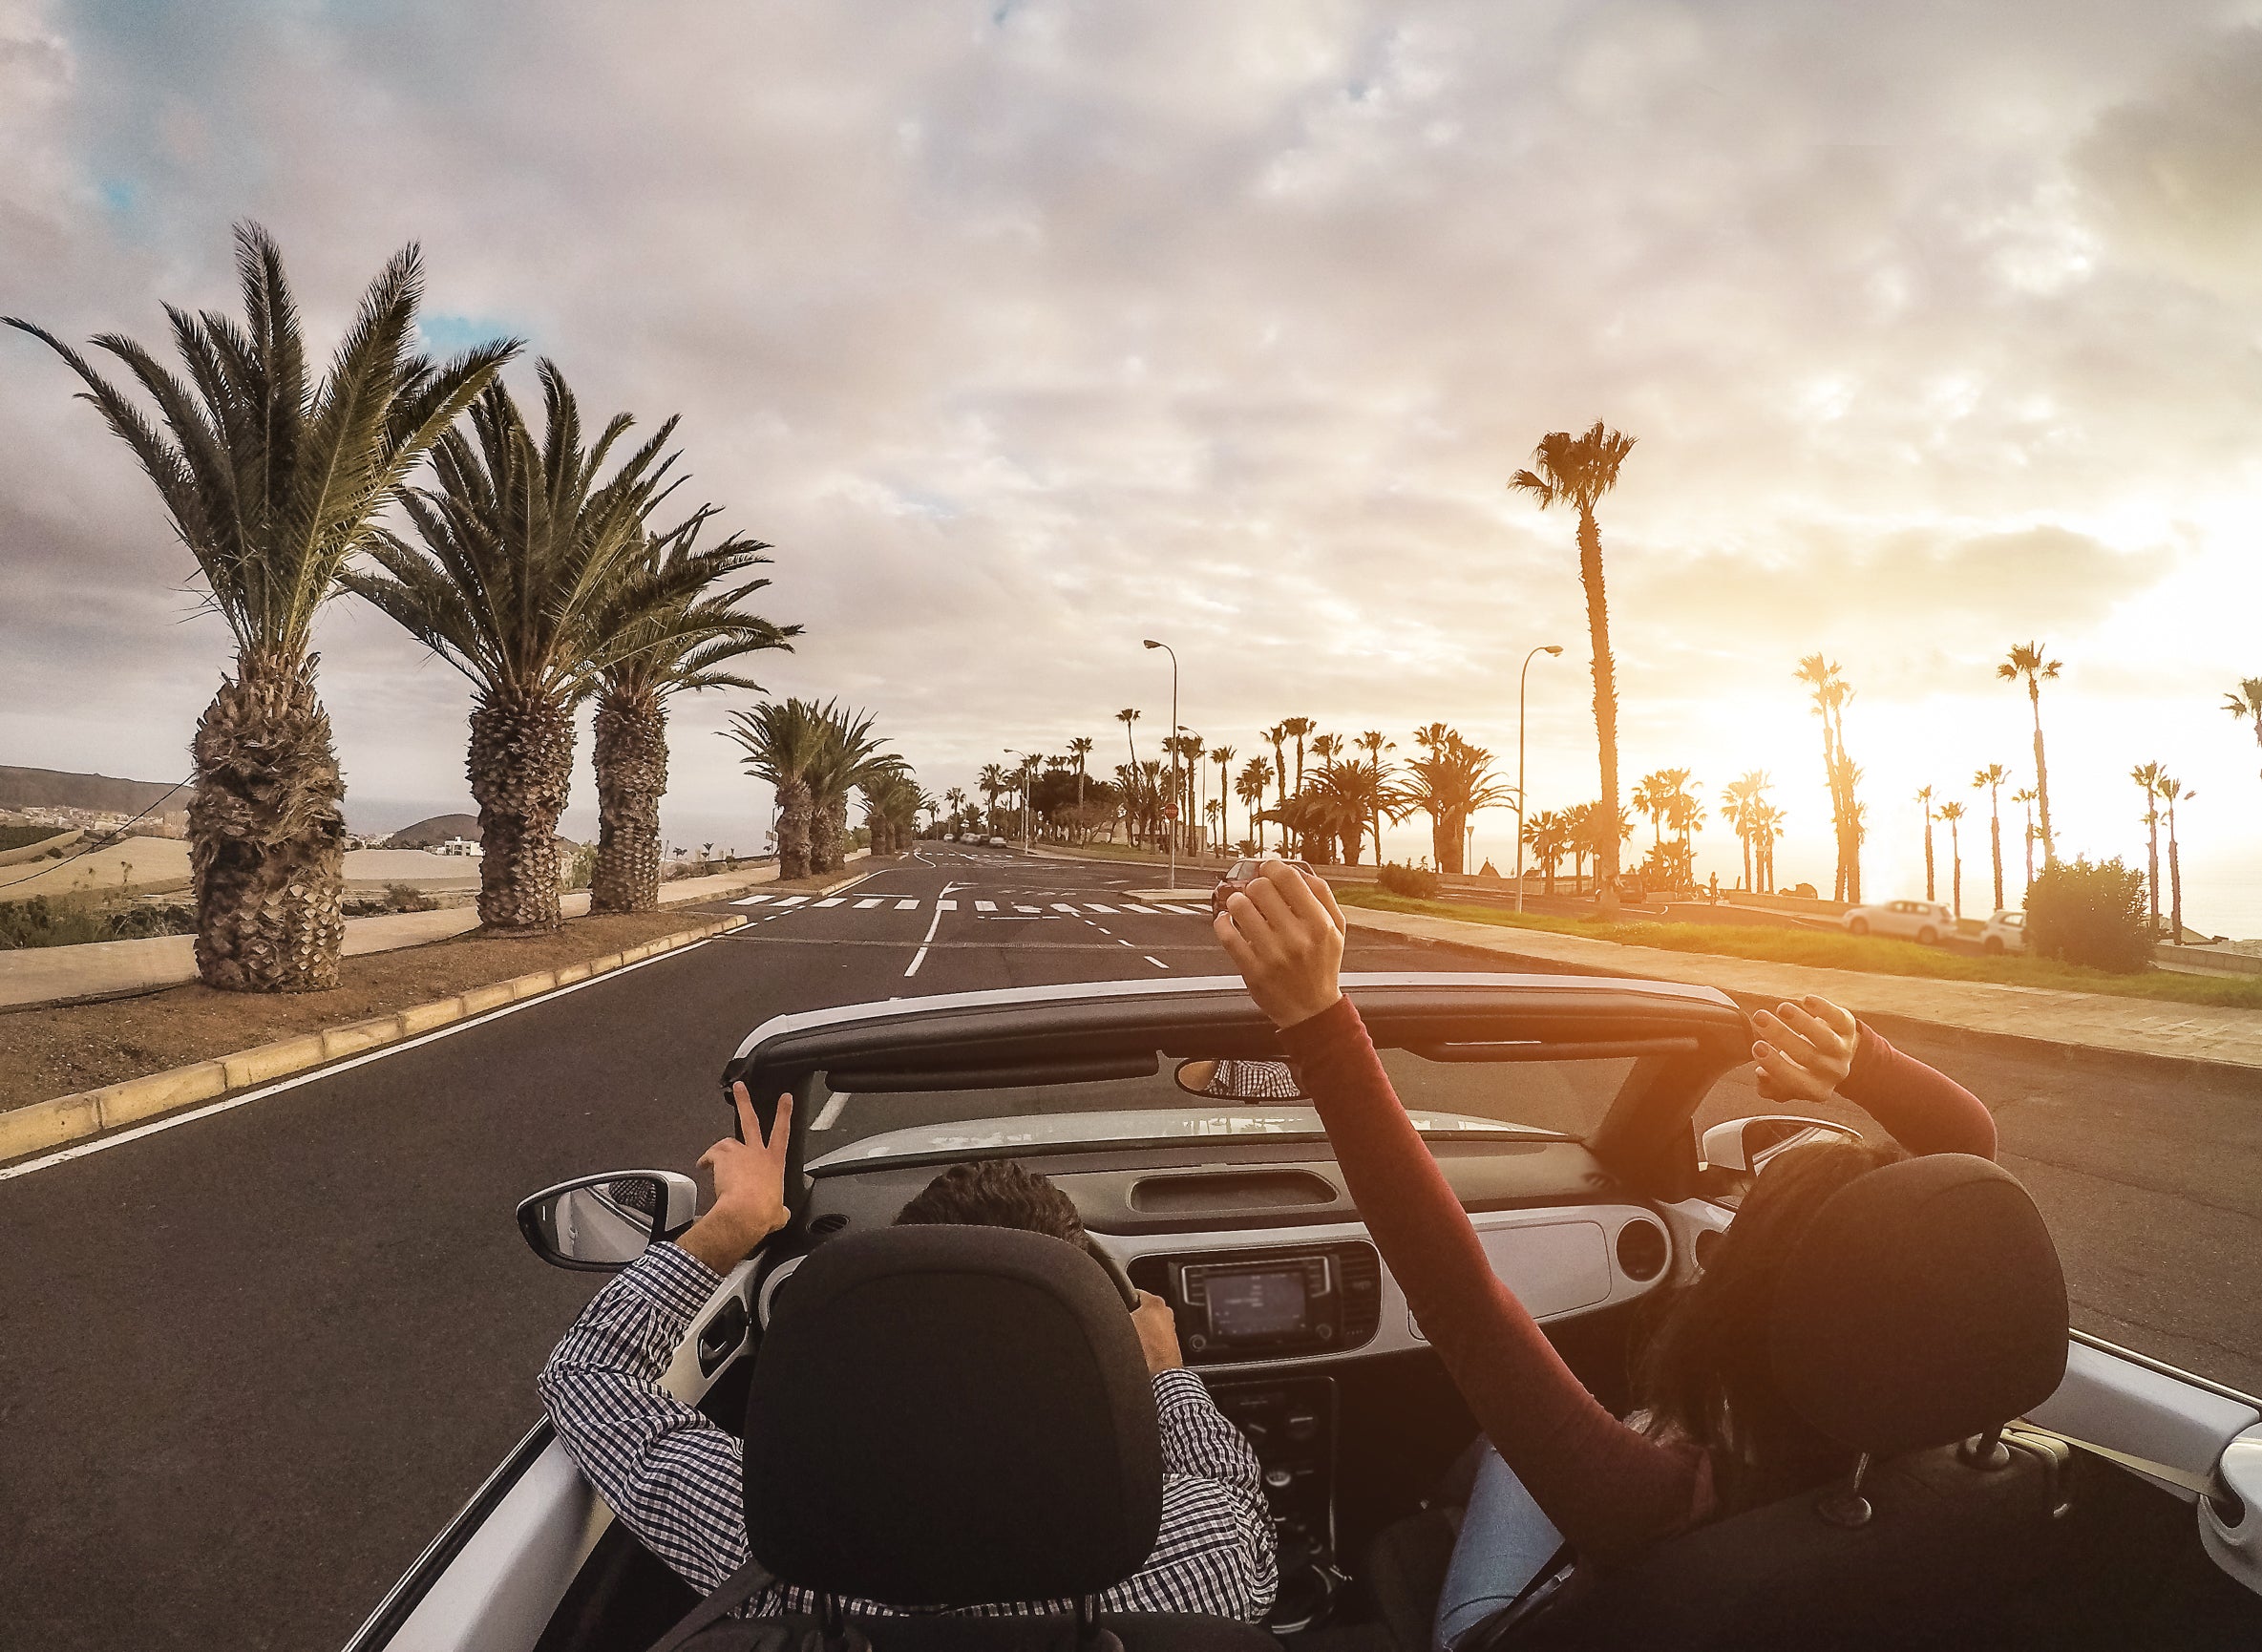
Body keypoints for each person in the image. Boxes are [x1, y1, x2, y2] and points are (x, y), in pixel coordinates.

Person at [1211, 863, 1998, 1650]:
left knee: (1506, 1454)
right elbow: (1968, 1155)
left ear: (1744, 1319)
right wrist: (1861, 1060)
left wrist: (1318, 1020)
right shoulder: (1958, 1455)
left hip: (1514, 1635)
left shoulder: (1652, 1497)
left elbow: (1459, 1294)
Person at [539, 1086, 1279, 1624]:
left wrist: (731, 1226)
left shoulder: (778, 1545)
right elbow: (1234, 1490)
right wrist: (1165, 1374)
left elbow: (588, 1375)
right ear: (1088, 1352)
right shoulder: (1208, 1549)